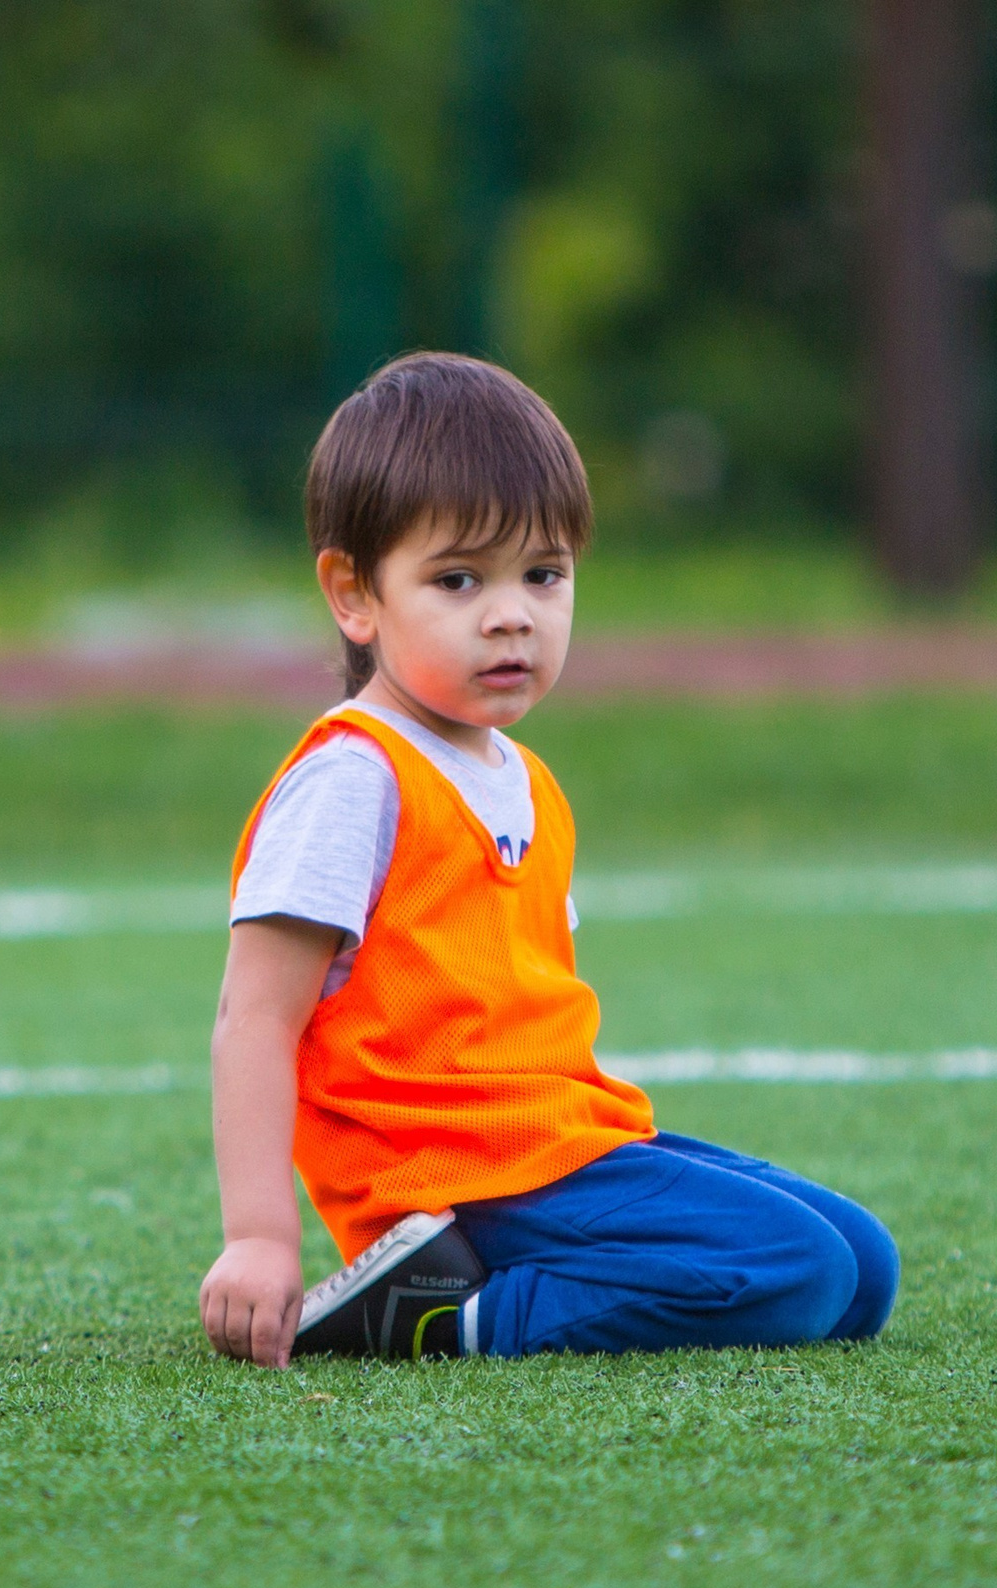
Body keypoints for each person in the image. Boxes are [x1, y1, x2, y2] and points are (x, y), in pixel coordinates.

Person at [197, 352, 896, 1367]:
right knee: (804, 1270)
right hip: (454, 1179)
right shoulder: (356, 778)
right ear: (354, 595)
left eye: (544, 573)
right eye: (458, 579)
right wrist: (258, 1240)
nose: (512, 612)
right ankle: (435, 1313)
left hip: (552, 1143)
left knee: (860, 1266)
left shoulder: (526, 778)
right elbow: (255, 1016)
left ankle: (497, 1287)